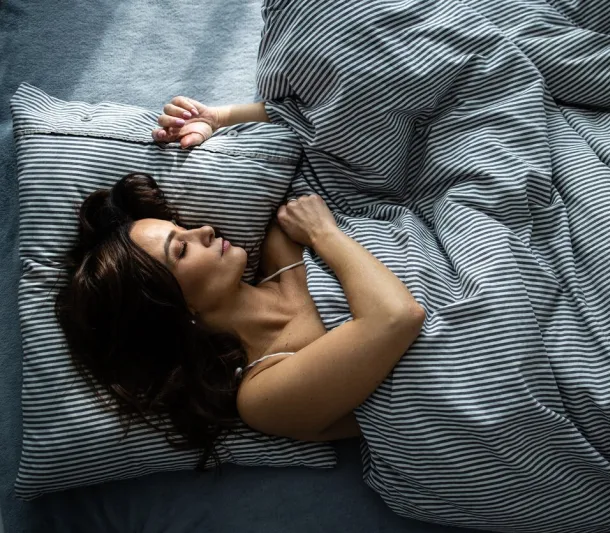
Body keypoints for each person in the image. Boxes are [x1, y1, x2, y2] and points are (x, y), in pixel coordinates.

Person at [56, 96, 426, 471]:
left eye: (183, 228)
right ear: (176, 310)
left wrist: (218, 118)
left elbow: (317, 123)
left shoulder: (279, 242)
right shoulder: (263, 395)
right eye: (181, 249)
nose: (203, 229)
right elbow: (396, 318)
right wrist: (325, 235)